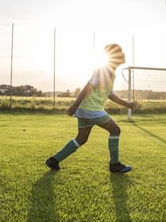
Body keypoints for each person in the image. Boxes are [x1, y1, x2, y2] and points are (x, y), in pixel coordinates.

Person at [46, 43, 137, 173]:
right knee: (115, 130)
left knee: (81, 139)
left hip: (85, 110)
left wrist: (127, 104)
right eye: (120, 52)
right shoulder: (104, 70)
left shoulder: (111, 73)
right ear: (115, 56)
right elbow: (87, 87)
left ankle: (54, 160)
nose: (123, 54)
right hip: (91, 110)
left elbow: (110, 94)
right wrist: (74, 105)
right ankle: (115, 164)